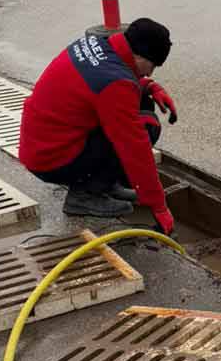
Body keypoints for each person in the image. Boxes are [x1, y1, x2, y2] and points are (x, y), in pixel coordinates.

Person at [19, 18, 177, 233]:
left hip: (42, 145)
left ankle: (104, 185)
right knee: (146, 126)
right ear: (139, 55)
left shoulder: (99, 45)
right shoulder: (115, 83)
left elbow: (108, 77)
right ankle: (85, 196)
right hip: (52, 159)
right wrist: (158, 206)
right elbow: (134, 148)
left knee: (141, 102)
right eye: (152, 66)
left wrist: (150, 87)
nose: (150, 73)